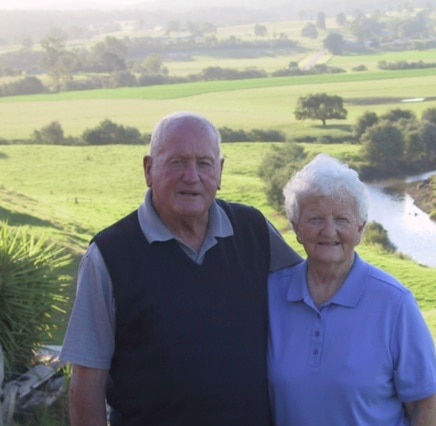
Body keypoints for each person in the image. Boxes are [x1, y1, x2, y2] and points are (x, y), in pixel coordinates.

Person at [60, 111, 301, 426]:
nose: (192, 176)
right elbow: (86, 387)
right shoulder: (109, 256)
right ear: (149, 169)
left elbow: (312, 294)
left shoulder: (253, 231)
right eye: (177, 162)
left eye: (204, 163)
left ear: (220, 171)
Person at [268, 154, 436, 426]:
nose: (329, 231)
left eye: (341, 219)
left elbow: (424, 406)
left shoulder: (395, 303)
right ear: (296, 228)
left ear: (361, 229)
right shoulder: (270, 295)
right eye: (315, 219)